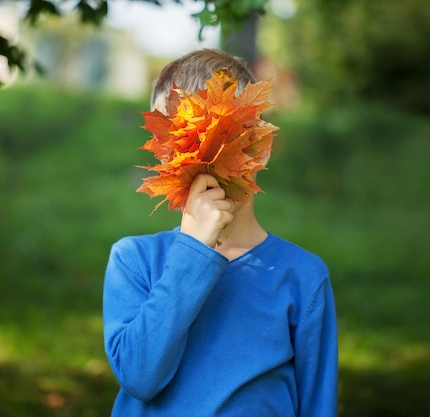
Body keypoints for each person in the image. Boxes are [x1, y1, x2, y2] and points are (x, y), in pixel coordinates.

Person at [102, 49, 338, 417]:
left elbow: (317, 405)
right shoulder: (134, 261)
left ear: (261, 147)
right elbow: (139, 376)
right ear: (166, 158)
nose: (207, 161)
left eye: (226, 138)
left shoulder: (302, 277)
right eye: (188, 146)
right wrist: (193, 250)